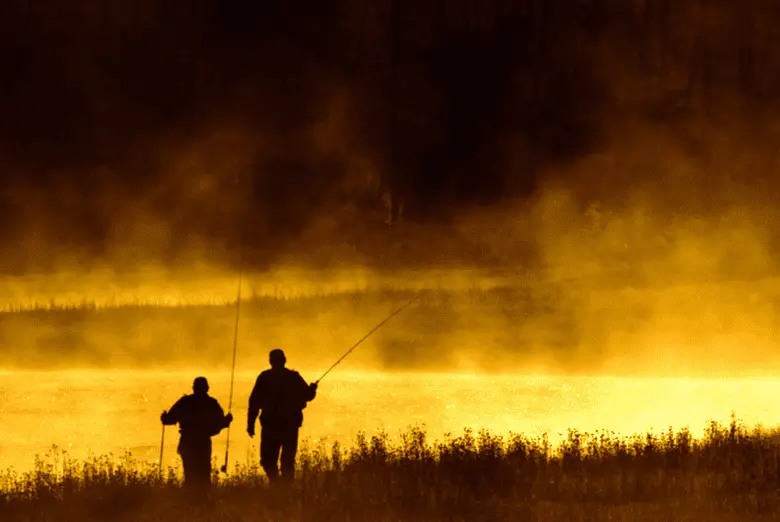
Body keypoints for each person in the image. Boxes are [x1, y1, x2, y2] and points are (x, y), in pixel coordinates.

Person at [247, 349, 318, 483]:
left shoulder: (264, 377)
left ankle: (276, 484)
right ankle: (284, 488)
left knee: (268, 460)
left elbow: (254, 402)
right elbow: (308, 396)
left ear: (270, 361)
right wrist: (313, 389)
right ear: (284, 360)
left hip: (270, 425)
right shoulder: (293, 377)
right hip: (289, 426)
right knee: (287, 461)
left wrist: (250, 423)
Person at [161, 376, 233, 490]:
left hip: (187, 441)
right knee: (204, 474)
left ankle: (190, 500)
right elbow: (220, 423)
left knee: (189, 474)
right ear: (207, 388)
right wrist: (227, 420)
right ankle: (203, 501)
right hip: (203, 442)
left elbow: (168, 420)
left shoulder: (185, 402)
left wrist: (164, 417)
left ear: (193, 388)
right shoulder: (211, 403)